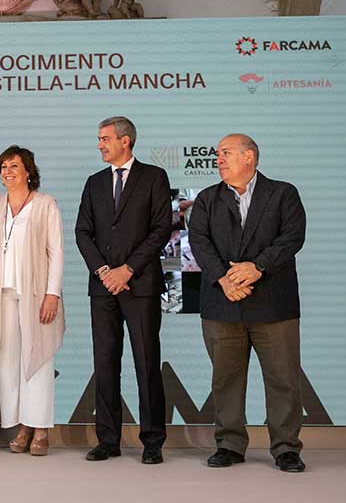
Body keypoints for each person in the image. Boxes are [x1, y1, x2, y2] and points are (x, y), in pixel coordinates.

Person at [188, 134, 306, 473]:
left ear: (249, 156)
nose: (218, 159)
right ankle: (229, 445)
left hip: (274, 305)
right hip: (222, 303)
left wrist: (258, 267)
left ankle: (286, 449)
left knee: (283, 378)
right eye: (217, 154)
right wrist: (223, 279)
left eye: (226, 153)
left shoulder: (283, 193)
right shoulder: (208, 199)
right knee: (226, 379)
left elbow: (292, 237)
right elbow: (198, 240)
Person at [75, 116, 171, 464]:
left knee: (146, 363)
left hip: (140, 284)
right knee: (105, 363)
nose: (100, 144)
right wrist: (104, 271)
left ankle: (152, 442)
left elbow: (161, 229)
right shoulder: (94, 182)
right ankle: (108, 440)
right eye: (99, 139)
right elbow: (83, 232)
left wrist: (127, 269)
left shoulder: (154, 177)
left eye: (105, 139)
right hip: (103, 289)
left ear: (125, 141)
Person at [0, 145, 65, 457]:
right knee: (8, 362)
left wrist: (52, 294)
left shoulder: (45, 204)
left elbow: (56, 252)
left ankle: (41, 428)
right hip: (1, 295)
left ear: (28, 171)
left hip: (35, 296)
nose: (7, 171)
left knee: (39, 359)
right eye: (3, 166)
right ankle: (20, 426)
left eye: (14, 166)